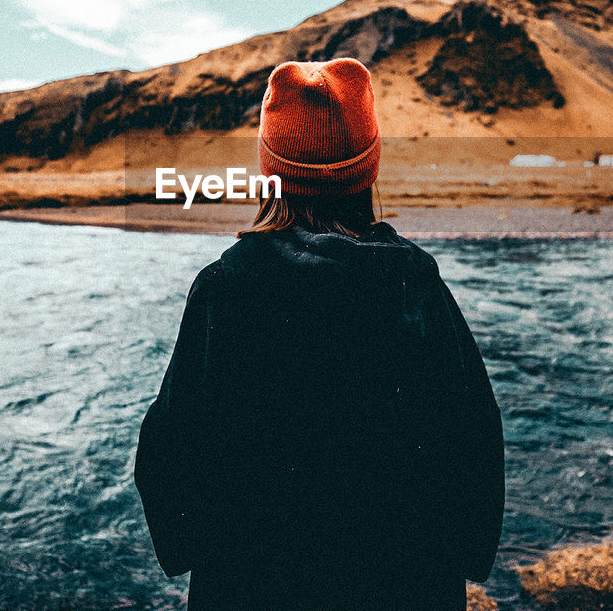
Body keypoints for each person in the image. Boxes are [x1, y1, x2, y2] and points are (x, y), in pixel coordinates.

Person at [134, 58, 504, 610]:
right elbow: (473, 436)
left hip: (249, 587)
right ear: (368, 169)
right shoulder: (414, 282)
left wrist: (196, 549)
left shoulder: (224, 288)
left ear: (270, 170)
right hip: (403, 585)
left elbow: (167, 450)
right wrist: (464, 556)